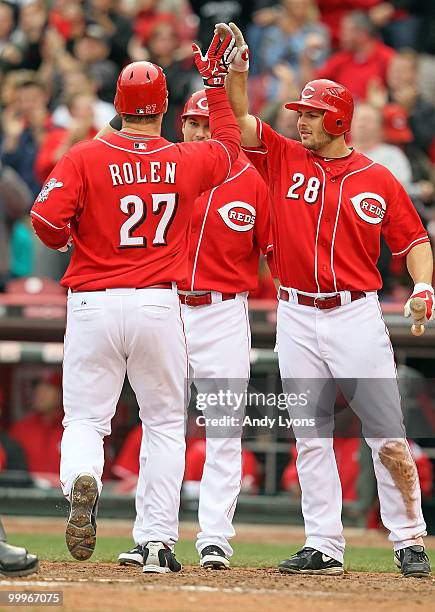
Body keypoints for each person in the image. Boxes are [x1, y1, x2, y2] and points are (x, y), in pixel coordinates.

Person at [221, 21, 432, 578]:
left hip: (355, 312)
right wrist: (236, 75)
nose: (301, 119)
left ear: (337, 119)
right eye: (301, 112)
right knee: (309, 435)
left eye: (312, 113)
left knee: (386, 432)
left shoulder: (376, 177)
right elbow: (243, 123)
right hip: (294, 312)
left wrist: (424, 286)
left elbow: (413, 241)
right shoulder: (284, 157)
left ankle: (408, 539)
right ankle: (323, 543)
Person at [30, 30, 241, 573]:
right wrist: (216, 88)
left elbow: (45, 223)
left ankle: (85, 477)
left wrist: (69, 237)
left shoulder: (83, 155)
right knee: (166, 423)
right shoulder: (184, 157)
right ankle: (155, 541)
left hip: (94, 302)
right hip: (157, 304)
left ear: (118, 106)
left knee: (84, 419)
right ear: (166, 108)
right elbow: (229, 150)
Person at [111, 89, 270, 569]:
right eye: (192, 123)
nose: (200, 132)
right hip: (167, 305)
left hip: (224, 311)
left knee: (223, 428)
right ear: (180, 126)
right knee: (160, 424)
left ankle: (215, 538)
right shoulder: (161, 168)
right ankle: (152, 536)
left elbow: (276, 256)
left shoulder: (252, 180)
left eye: (207, 123)